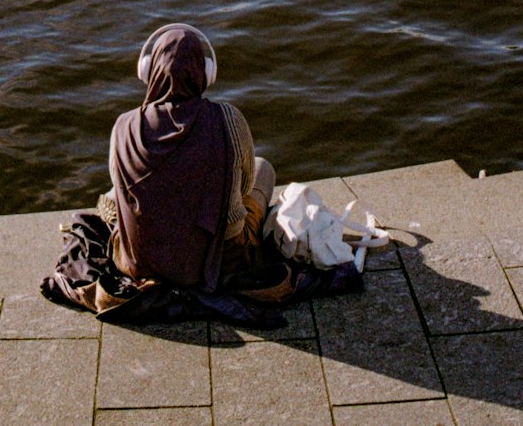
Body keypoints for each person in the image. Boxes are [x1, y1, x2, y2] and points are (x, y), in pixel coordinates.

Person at [41, 23, 361, 325]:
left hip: (138, 263)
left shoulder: (123, 126)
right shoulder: (228, 119)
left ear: (147, 71)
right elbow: (246, 184)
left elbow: (119, 190)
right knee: (263, 168)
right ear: (206, 74)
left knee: (113, 197)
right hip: (220, 262)